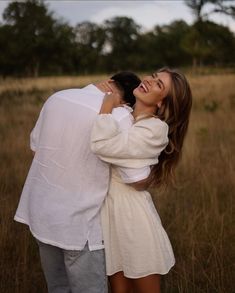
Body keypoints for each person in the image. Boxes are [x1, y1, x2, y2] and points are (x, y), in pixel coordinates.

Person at [14, 72, 152, 293]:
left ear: (108, 81)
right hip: (80, 225)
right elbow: (136, 177)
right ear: (127, 101)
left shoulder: (57, 98)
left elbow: (35, 148)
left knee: (58, 288)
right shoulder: (119, 116)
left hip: (41, 215)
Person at [91, 67, 192, 293]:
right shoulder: (123, 113)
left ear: (162, 104)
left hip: (133, 218)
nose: (148, 80)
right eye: (154, 76)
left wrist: (106, 108)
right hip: (108, 215)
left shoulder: (155, 129)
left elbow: (101, 145)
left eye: (159, 85)